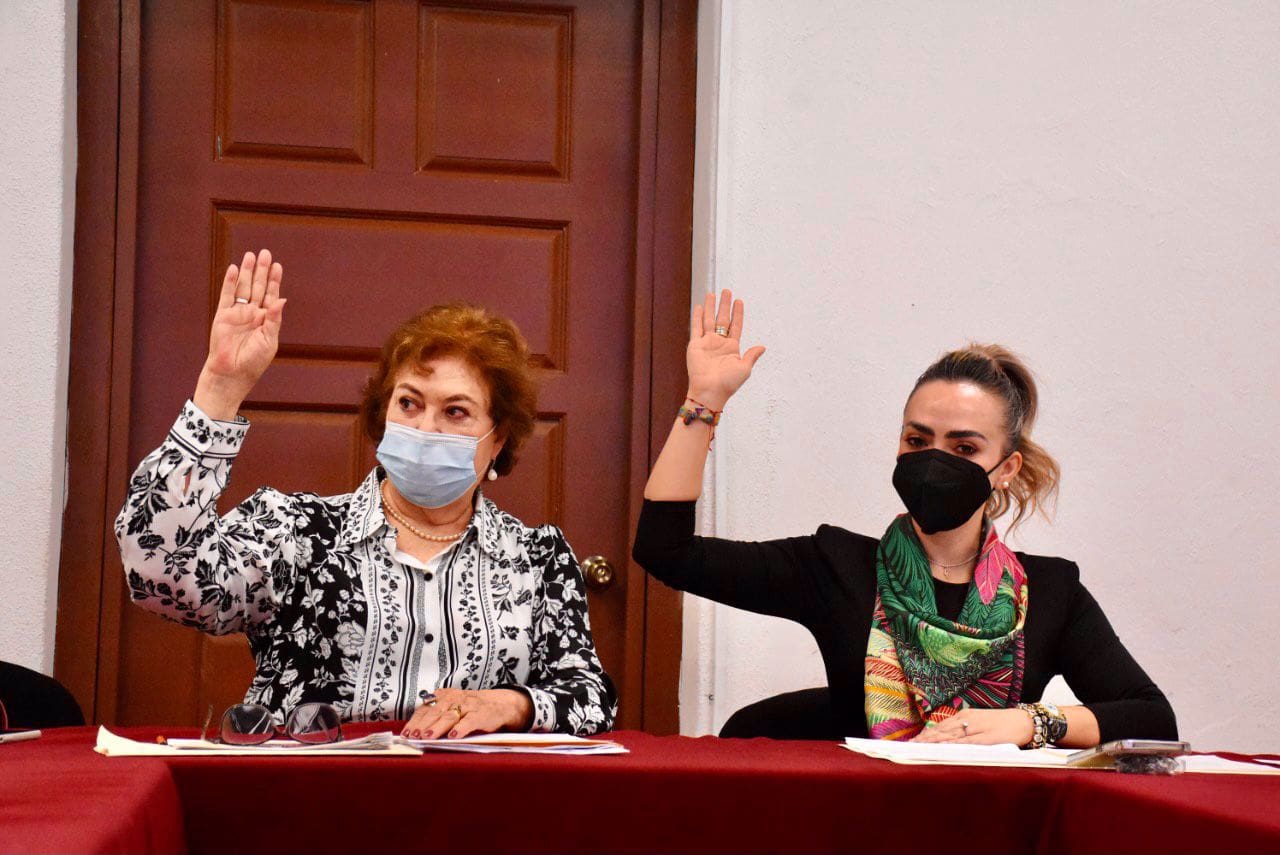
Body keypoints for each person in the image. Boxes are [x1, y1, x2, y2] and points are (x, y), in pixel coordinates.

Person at [632, 290, 1176, 747]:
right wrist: (704, 400)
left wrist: (1026, 723)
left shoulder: (1050, 591)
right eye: (917, 440)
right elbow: (665, 550)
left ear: (1006, 469)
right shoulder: (837, 565)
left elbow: (1152, 718)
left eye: (964, 448)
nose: (934, 461)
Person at [116, 250, 615, 738]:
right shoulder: (295, 531)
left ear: (498, 437)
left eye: (455, 412)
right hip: (315, 788)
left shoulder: (537, 558)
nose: (425, 427)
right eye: (409, 403)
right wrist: (220, 388)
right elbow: (159, 572)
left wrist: (509, 704)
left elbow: (591, 695)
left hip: (473, 792)